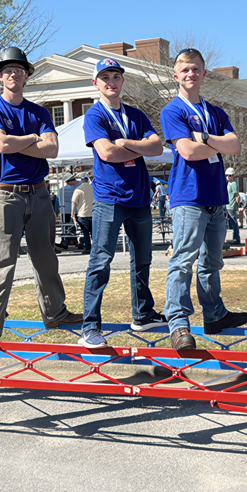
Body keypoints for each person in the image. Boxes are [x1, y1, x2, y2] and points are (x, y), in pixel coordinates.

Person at [0, 47, 82, 345]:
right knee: (0, 261)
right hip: (4, 194)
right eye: (8, 70)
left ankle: (55, 312)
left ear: (27, 75)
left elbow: (53, 150)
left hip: (40, 192)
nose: (13, 75)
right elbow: (0, 144)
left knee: (46, 259)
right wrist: (34, 138)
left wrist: (20, 141)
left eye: (19, 70)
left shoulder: (40, 112)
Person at [160, 47, 247, 351]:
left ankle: (214, 314)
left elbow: (235, 145)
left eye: (196, 69)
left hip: (216, 196)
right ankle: (178, 323)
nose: (190, 74)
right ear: (176, 76)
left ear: (204, 73)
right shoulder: (173, 110)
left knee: (212, 262)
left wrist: (207, 139)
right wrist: (216, 145)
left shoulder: (216, 112)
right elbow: (187, 151)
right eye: (185, 70)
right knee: (183, 261)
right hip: (189, 196)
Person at [77, 58, 168, 348]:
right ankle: (90, 327)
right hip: (109, 199)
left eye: (115, 76)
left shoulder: (136, 115)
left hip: (140, 198)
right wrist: (135, 145)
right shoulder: (94, 116)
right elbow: (106, 153)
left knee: (143, 259)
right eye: (105, 78)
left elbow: (157, 148)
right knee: (100, 261)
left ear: (122, 81)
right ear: (96, 83)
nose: (111, 82)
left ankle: (142, 314)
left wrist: (125, 143)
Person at [72, 174, 94, 252]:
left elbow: (74, 202)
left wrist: (72, 214)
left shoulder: (78, 189)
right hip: (93, 213)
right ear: (87, 179)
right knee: (93, 232)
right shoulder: (93, 188)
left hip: (82, 214)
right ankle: (95, 248)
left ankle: (87, 248)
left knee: (85, 232)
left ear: (81, 180)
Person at [225, 167, 241, 244]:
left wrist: (236, 205)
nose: (228, 177)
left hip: (231, 206)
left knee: (234, 222)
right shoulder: (228, 184)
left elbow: (237, 195)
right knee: (227, 222)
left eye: (229, 175)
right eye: (227, 175)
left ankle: (236, 237)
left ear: (232, 176)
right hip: (227, 205)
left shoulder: (233, 184)